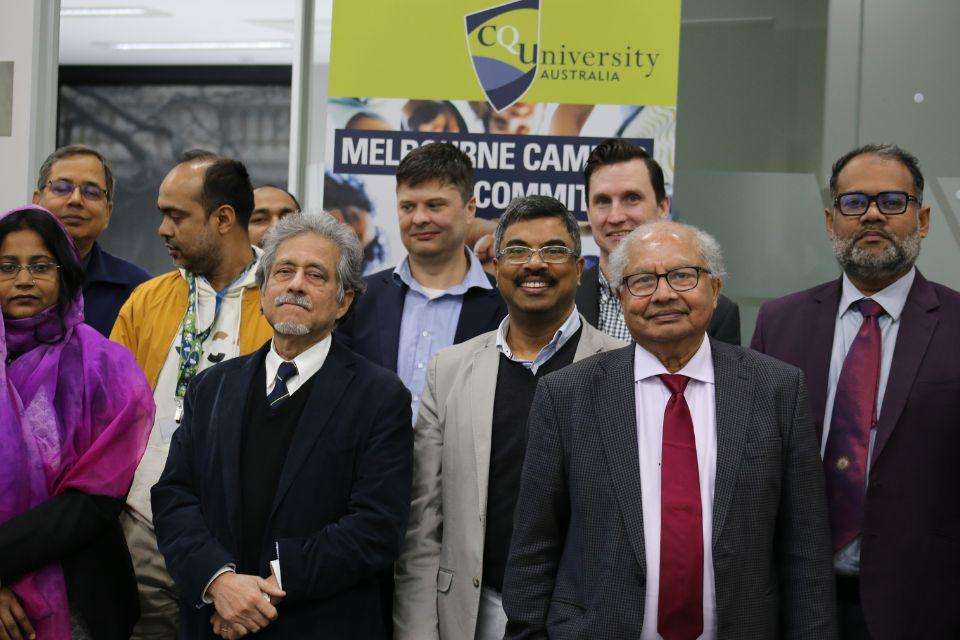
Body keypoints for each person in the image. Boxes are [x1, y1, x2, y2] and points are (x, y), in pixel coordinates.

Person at [502, 220, 836, 639]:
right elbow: (534, 548)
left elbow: (804, 550)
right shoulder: (567, 395)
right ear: (622, 298)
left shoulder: (776, 391)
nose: (663, 294)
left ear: (714, 289)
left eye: (681, 276)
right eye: (642, 280)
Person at [153, 213, 413, 639]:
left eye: (316, 275)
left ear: (344, 301)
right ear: (263, 291)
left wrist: (262, 592)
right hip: (213, 622)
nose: (295, 284)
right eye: (284, 271)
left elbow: (376, 526)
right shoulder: (212, 385)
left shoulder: (380, 396)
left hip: (321, 624)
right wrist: (218, 582)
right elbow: (174, 496)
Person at [751, 144, 960, 639]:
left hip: (928, 603)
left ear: (924, 219)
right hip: (800, 599)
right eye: (853, 202)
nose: (871, 214)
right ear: (830, 220)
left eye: (892, 202)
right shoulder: (779, 323)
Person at [394, 196, 624, 640]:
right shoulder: (451, 369)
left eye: (554, 250)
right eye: (517, 251)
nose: (534, 264)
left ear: (579, 270)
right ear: (496, 268)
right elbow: (422, 525)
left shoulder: (622, 367)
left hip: (589, 615)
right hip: (475, 611)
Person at [111, 152, 273, 640]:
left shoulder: (283, 297)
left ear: (224, 219)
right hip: (145, 530)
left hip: (244, 539)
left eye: (176, 215)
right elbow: (110, 416)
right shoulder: (148, 299)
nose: (162, 228)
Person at [0, 205, 154, 640]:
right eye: (7, 267)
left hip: (80, 591)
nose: (24, 279)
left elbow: (93, 499)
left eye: (40, 266)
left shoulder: (103, 365)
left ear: (65, 274)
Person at [335, 141, 506, 418]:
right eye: (408, 207)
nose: (420, 218)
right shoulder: (360, 298)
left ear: (470, 209)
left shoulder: (505, 306)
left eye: (435, 205)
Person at [575, 138, 740, 345]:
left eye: (632, 198)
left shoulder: (716, 312)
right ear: (588, 214)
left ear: (663, 207)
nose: (615, 216)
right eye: (603, 201)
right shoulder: (563, 302)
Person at [32, 144, 151, 336]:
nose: (76, 200)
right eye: (62, 188)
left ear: (108, 213)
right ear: (36, 202)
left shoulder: (137, 291)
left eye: (91, 192)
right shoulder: (7, 278)